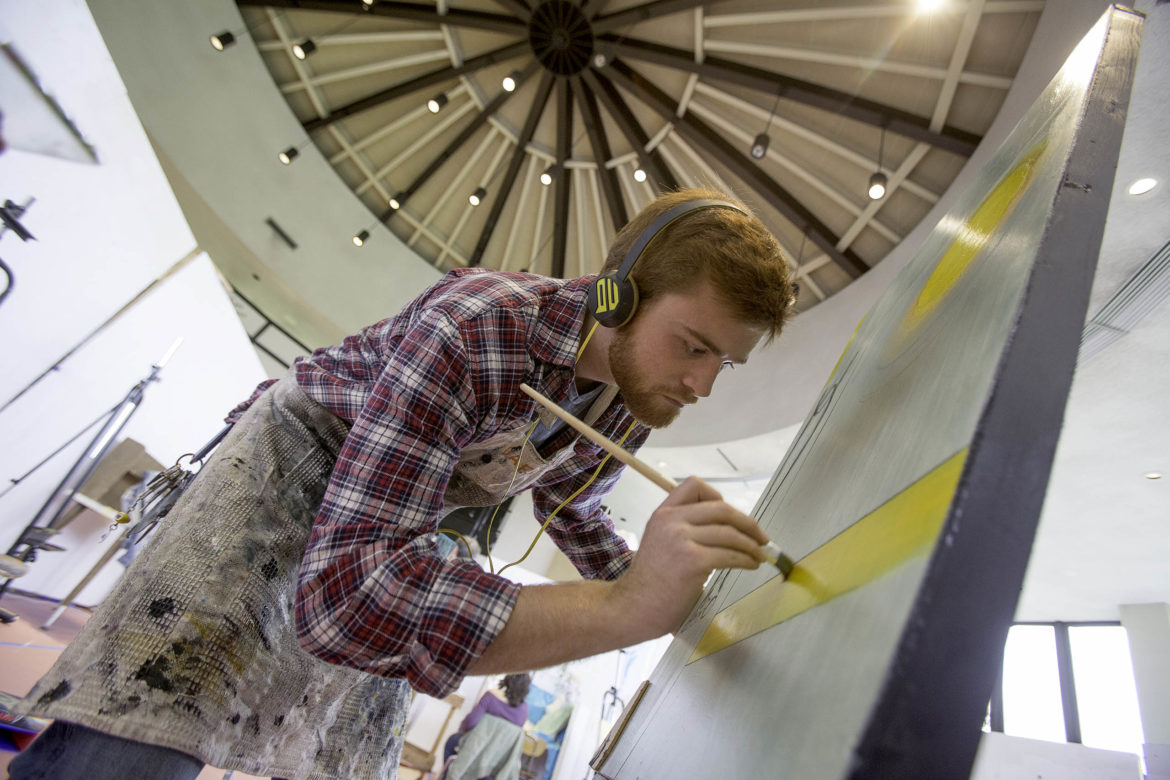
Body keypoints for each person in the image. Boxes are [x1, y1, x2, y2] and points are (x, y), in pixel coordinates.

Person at [10, 187, 798, 780]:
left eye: (720, 363)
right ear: (617, 292)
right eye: (691, 346)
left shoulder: (631, 401)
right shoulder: (476, 325)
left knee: (345, 762)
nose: (700, 385)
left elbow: (573, 503)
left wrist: (675, 595)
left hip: (396, 520)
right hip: (282, 482)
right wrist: (626, 605)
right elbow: (348, 597)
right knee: (151, 725)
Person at [440, 673, 531, 773]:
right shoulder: (524, 710)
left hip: (474, 748)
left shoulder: (491, 696)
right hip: (496, 759)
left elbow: (470, 722)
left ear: (507, 680)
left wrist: (464, 729)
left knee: (453, 740)